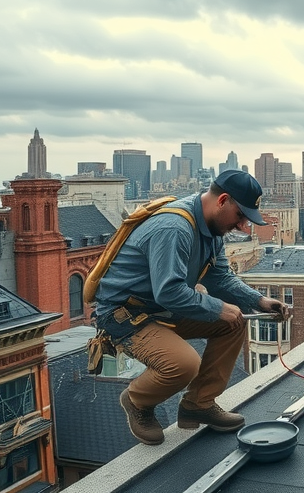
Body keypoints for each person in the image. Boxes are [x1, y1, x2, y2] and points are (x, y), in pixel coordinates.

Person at [93, 169, 290, 445]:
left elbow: (220, 278)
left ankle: (198, 404)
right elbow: (169, 291)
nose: (242, 226)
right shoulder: (174, 228)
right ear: (222, 200)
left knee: (233, 322)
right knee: (184, 365)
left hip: (160, 309)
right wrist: (218, 307)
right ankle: (137, 400)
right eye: (240, 216)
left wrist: (259, 301)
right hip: (126, 316)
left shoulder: (211, 229)